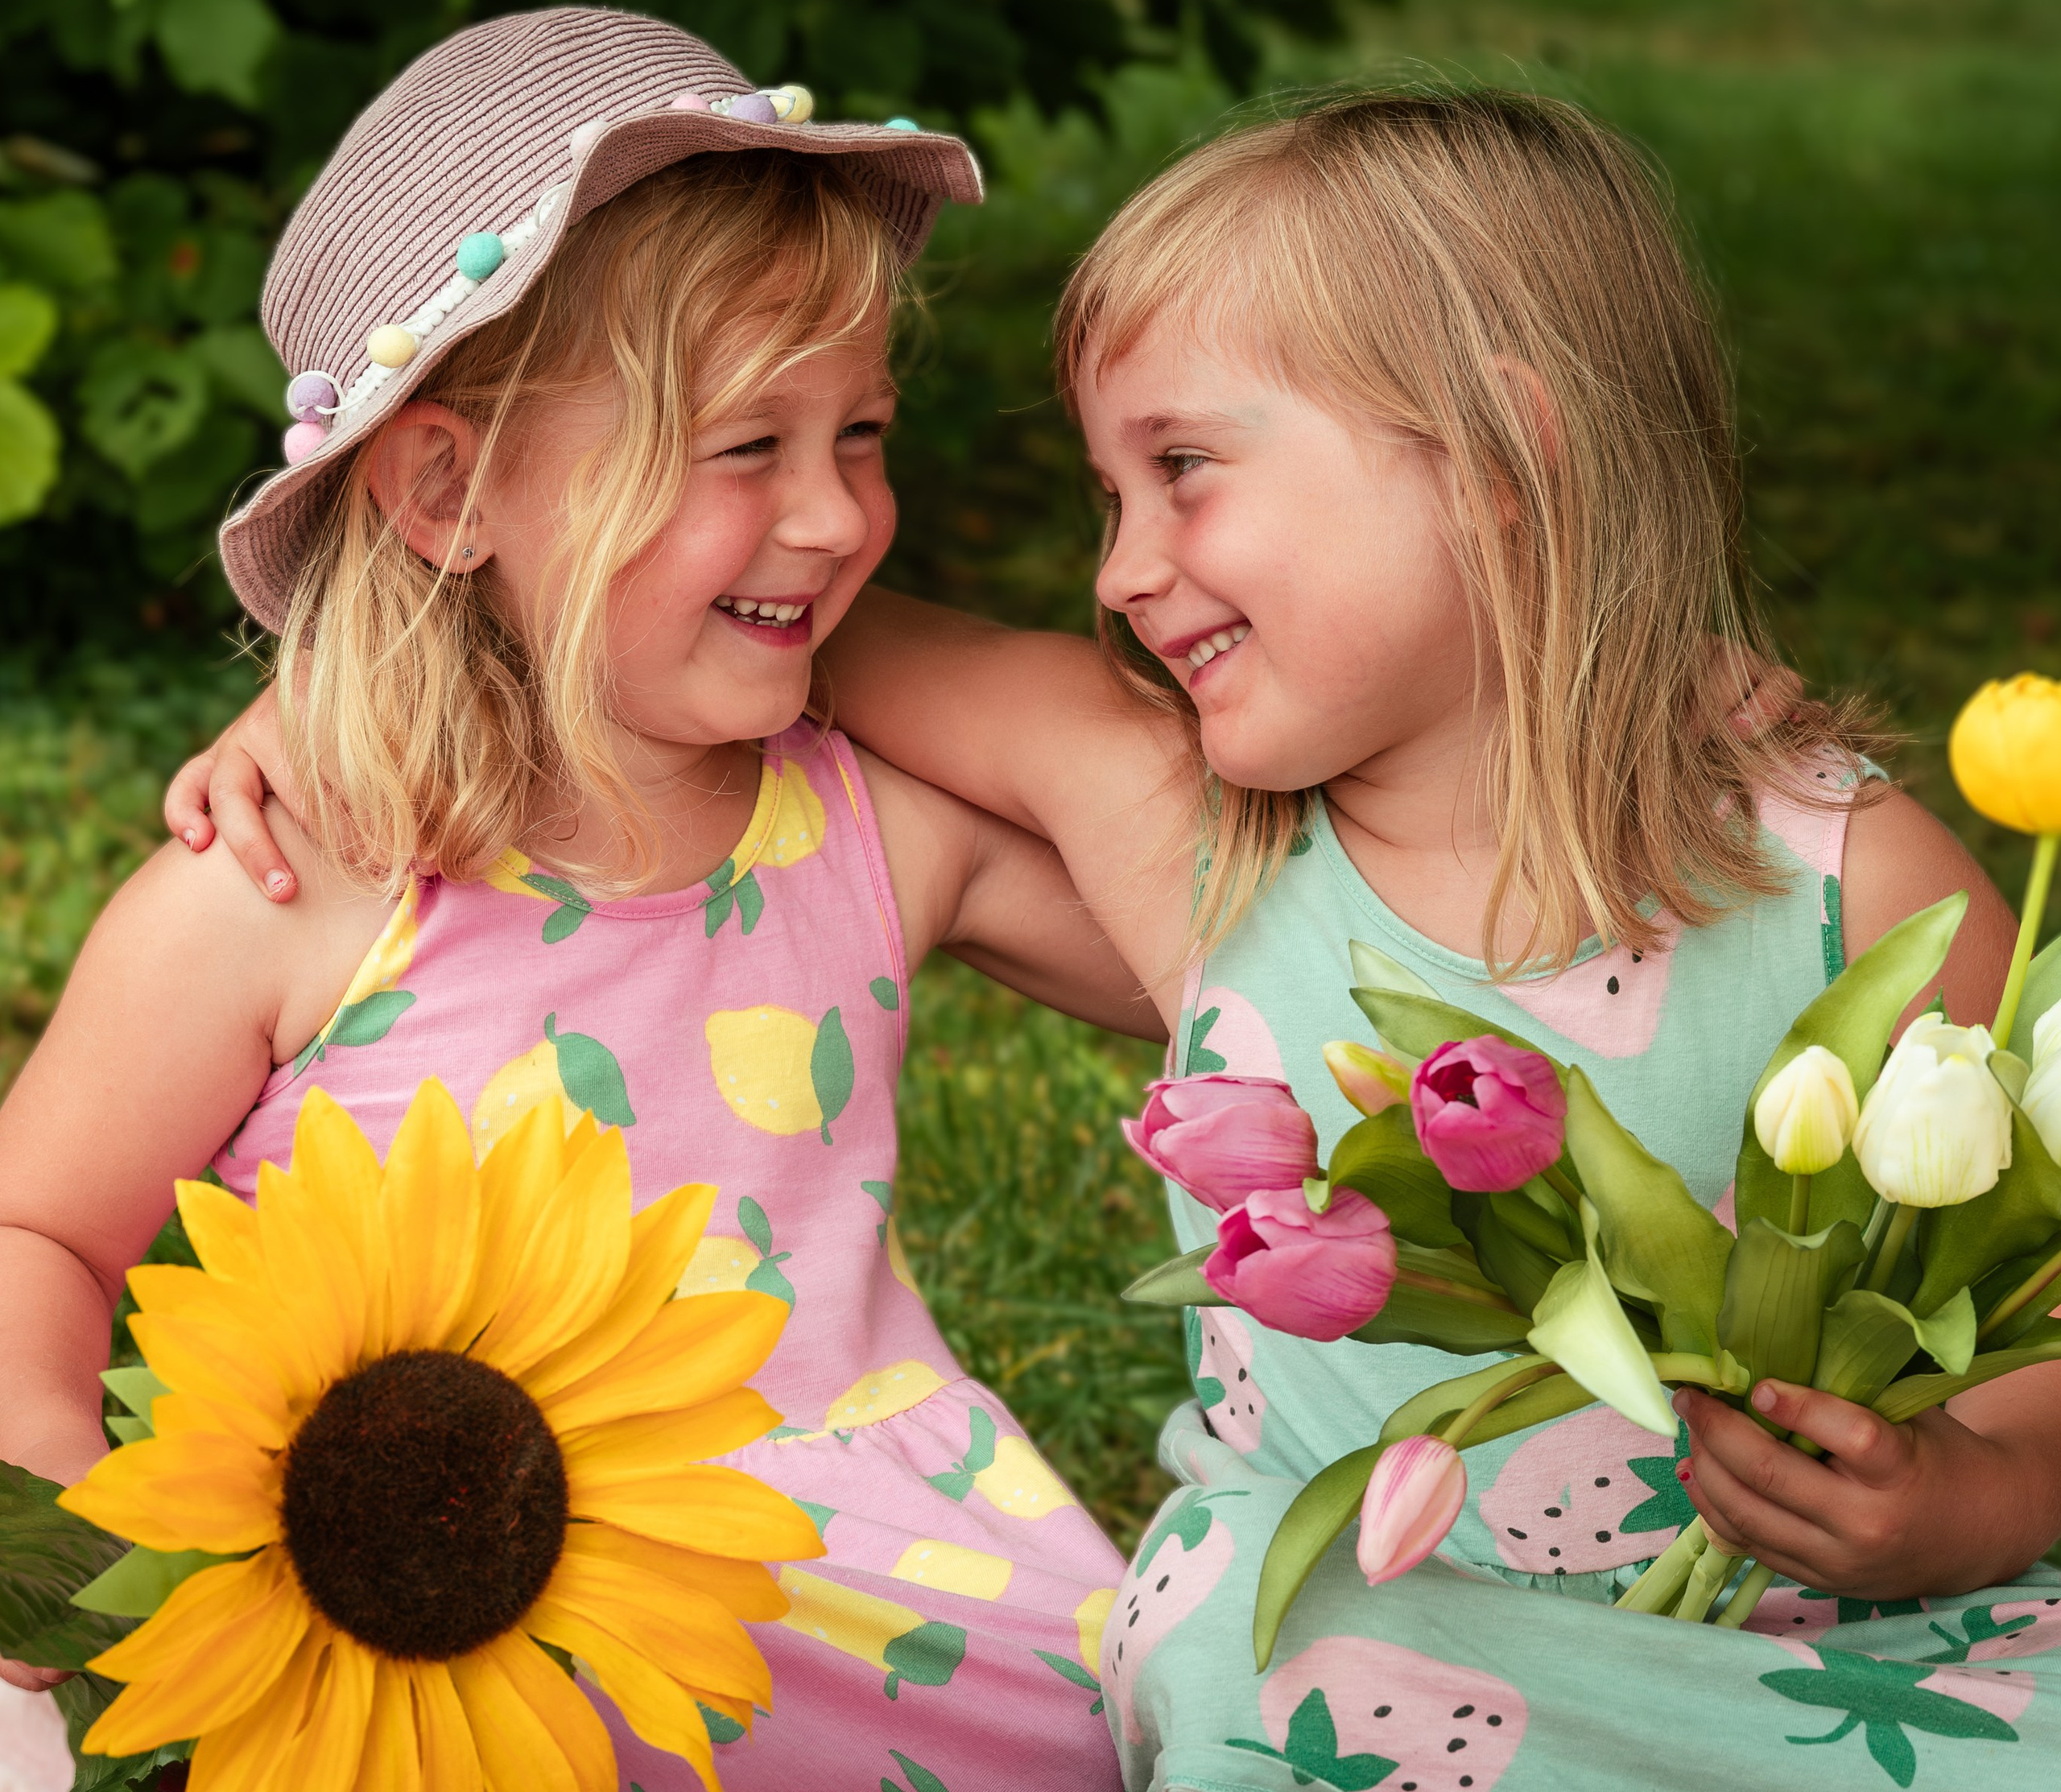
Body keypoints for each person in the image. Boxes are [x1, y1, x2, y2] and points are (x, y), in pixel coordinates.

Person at [171, 90, 2061, 1788]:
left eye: (1181, 470)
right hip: (1397, 1655)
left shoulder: (1847, 882)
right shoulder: (1186, 835)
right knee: (1254, 1643)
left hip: (1826, 1676)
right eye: (1105, 492)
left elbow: (2036, 1297)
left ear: (1503, 454)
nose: (1117, 566)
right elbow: (737, 610)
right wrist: (374, 660)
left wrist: (1962, 1507)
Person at [0, 8, 1152, 1792]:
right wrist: (46, 1481)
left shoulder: (855, 830)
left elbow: (1219, 968)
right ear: (450, 485)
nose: (841, 515)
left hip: (895, 1618)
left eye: (858, 434)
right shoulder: (287, 894)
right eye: (744, 446)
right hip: (445, 1644)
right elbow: (37, 1233)